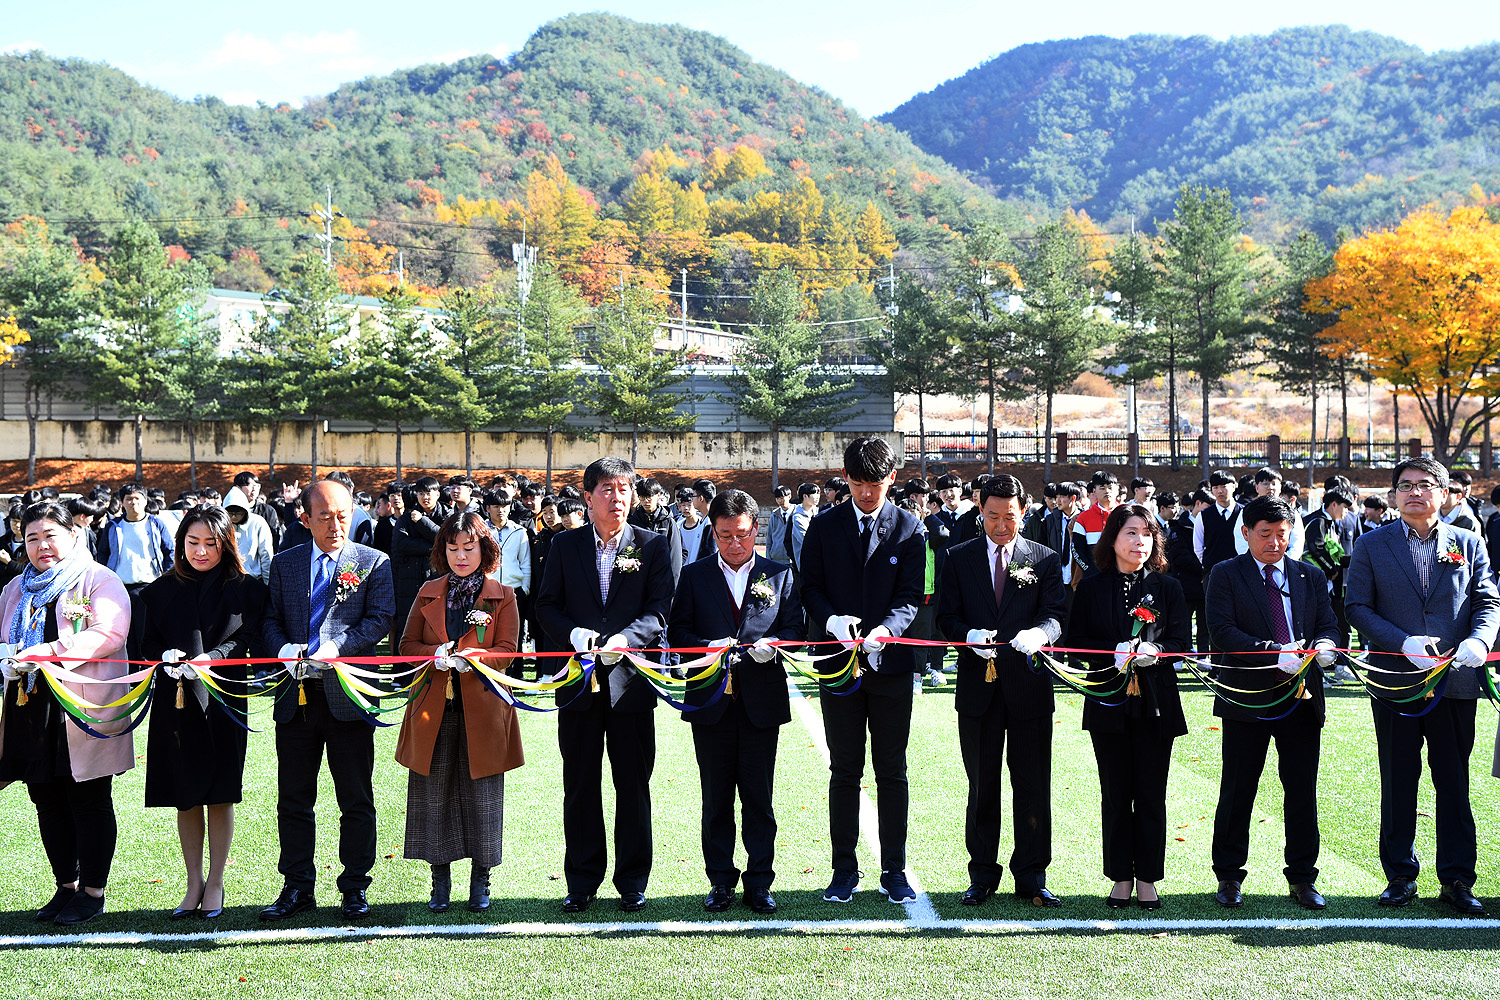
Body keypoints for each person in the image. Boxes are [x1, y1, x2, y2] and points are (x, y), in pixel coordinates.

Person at [1346, 458, 1500, 916]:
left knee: (1453, 780)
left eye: (1425, 484)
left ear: (1444, 490)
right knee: (1398, 779)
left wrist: (1480, 637)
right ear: (1394, 494)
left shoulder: (1469, 542)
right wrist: (1401, 642)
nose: (1415, 492)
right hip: (1395, 678)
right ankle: (1399, 875)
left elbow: (1488, 599)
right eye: (1406, 485)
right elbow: (1356, 606)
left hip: (1454, 680)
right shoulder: (1372, 544)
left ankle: (1456, 878)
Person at [534, 457, 675, 914]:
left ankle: (633, 879)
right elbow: (547, 605)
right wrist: (573, 635)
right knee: (579, 783)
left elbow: (660, 608)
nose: (617, 498)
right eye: (608, 490)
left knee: (632, 783)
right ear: (588, 496)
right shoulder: (564, 545)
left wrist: (627, 639)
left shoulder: (653, 545)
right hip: (577, 683)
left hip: (631, 682)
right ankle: (582, 879)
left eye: (624, 489)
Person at [259, 481, 395, 922]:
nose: (336, 525)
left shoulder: (373, 561)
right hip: (295, 695)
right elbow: (270, 618)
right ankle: (297, 886)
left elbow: (379, 618)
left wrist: (339, 646)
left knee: (355, 796)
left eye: (342, 515)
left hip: (348, 693)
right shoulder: (285, 564)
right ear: (305, 518)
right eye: (325, 516)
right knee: (293, 797)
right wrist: (281, 646)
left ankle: (355, 887)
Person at [799, 437, 927, 905]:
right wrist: (831, 620)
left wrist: (886, 630)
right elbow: (809, 587)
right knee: (844, 768)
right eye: (857, 484)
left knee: (892, 769)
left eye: (875, 484)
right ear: (845, 480)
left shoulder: (911, 529)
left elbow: (913, 596)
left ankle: (893, 868)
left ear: (891, 478)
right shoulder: (824, 526)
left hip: (889, 664)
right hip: (838, 665)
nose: (866, 494)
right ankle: (843, 869)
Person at [668, 489, 804, 915]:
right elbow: (677, 633)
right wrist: (706, 646)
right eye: (725, 535)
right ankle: (720, 881)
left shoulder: (779, 575)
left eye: (741, 535)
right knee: (716, 797)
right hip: (710, 701)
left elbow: (796, 629)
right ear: (713, 532)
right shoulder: (694, 576)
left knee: (759, 799)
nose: (734, 545)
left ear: (756, 529)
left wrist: (775, 645)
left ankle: (760, 882)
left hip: (760, 700)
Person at [935, 474, 1068, 907]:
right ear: (980, 511)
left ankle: (1032, 875)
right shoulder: (957, 557)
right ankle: (982, 874)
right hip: (978, 688)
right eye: (992, 515)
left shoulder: (1044, 559)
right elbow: (945, 619)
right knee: (982, 784)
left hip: (1028, 686)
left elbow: (1056, 616)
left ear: (1023, 513)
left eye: (1009, 516)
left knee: (1032, 784)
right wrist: (967, 634)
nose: (1000, 525)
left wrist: (1040, 634)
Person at [0, 502, 132, 926]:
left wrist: (48, 652)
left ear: (73, 535)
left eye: (50, 535)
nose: (41, 546)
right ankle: (66, 886)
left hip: (82, 707)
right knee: (45, 798)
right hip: (29, 706)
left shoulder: (97, 578)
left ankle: (93, 891)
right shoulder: (14, 589)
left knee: (88, 798)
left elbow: (110, 633)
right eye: (32, 538)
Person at [1205, 496, 1340, 911]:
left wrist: (1326, 645)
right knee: (1238, 787)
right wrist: (1271, 650)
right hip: (1248, 696)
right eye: (1265, 535)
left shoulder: (1309, 576)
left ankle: (1302, 877)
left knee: (1301, 790)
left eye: (1282, 534)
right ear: (1246, 533)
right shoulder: (1226, 573)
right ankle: (1229, 876)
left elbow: (1329, 624)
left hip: (1301, 698)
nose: (1275, 543)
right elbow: (1221, 631)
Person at [140, 506, 269, 921]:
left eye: (210, 543)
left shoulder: (247, 588)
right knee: (184, 793)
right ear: (180, 544)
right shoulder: (160, 590)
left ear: (226, 543)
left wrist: (214, 656)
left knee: (221, 792)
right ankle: (192, 880)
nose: (200, 551)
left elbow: (248, 637)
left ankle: (216, 881)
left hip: (225, 697)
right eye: (192, 543)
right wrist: (165, 656)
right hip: (175, 699)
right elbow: (144, 645)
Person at [397, 511, 525, 914]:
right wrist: (434, 654)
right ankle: (439, 881)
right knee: (433, 793)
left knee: (483, 796)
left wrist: (476, 658)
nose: (460, 556)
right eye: (453, 548)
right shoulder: (428, 590)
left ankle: (481, 880)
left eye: (469, 548)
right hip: (432, 705)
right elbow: (404, 646)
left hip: (483, 708)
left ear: (484, 550)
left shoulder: (502, 594)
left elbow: (508, 651)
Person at [1065, 504, 1190, 910]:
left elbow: (1182, 644)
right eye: (1130, 532)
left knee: (1151, 793)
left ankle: (1148, 877)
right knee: (1115, 793)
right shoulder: (1093, 587)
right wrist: (1108, 654)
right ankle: (1120, 875)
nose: (1139, 541)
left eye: (1147, 533)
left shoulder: (1168, 587)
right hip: (1108, 700)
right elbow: (1076, 641)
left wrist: (1156, 649)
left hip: (1156, 702)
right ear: (1113, 538)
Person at [764, 485, 795, 564]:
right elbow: (769, 538)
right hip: (776, 559)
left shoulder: (797, 513)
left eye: (781, 498)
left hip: (793, 559)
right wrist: (768, 556)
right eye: (777, 498)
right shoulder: (774, 515)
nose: (780, 501)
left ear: (789, 497)